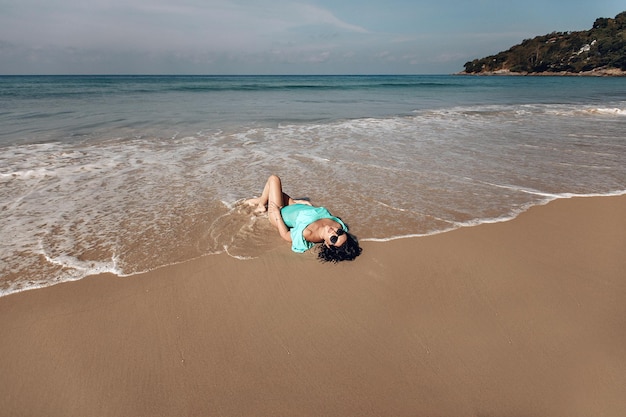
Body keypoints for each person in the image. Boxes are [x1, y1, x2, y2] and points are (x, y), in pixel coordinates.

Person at [245, 175, 362, 262]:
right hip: (293, 206)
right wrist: (297, 203)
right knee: (277, 192)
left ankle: (261, 205)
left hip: (279, 212)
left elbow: (286, 235)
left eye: (333, 239)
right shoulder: (338, 224)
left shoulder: (309, 234)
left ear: (327, 244)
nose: (334, 232)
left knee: (274, 179)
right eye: (340, 232)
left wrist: (276, 215)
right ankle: (261, 200)